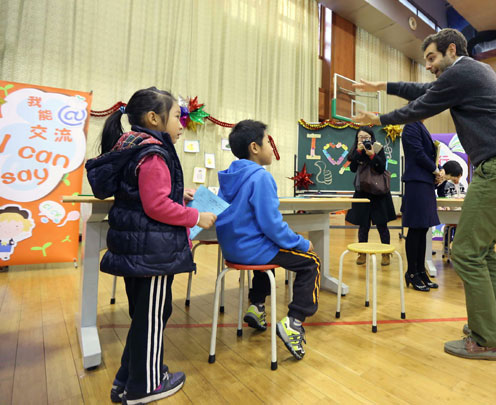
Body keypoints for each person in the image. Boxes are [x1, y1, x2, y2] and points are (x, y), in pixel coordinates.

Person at [353, 28, 496, 361]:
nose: (428, 66)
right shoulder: (472, 72)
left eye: (432, 57)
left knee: (465, 252)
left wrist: (379, 118)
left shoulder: (465, 70)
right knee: (482, 253)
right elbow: (423, 90)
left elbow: (422, 104)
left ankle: (486, 340)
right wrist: (382, 86)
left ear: (452, 50)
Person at [85, 87, 217, 404]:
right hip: (152, 254)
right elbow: (155, 206)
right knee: (153, 317)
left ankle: (125, 380)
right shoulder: (155, 153)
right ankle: (146, 384)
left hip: (138, 251)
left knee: (145, 316)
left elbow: (144, 193)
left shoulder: (135, 146)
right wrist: (194, 215)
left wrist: (177, 195)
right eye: (176, 116)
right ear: (154, 118)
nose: (182, 122)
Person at [216, 119, 321, 361]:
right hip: (252, 250)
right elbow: (272, 226)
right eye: (267, 142)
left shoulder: (230, 175)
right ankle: (294, 322)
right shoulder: (260, 177)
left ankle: (257, 306)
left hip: (233, 250)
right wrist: (301, 242)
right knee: (311, 262)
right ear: (254, 147)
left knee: (269, 254)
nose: (271, 147)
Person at [345, 126, 397, 266]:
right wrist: (358, 152)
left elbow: (381, 168)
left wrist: (372, 155)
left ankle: (386, 253)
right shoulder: (355, 151)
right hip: (363, 192)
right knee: (363, 225)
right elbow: (352, 168)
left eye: (366, 137)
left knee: (382, 225)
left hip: (379, 192)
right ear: (357, 139)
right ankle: (362, 253)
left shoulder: (378, 149)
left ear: (372, 138)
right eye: (360, 137)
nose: (363, 139)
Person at [400, 121, 440, 291]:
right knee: (416, 228)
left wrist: (437, 171)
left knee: (423, 229)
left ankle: (420, 270)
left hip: (425, 182)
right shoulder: (411, 126)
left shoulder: (420, 125)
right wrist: (435, 170)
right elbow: (417, 153)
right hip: (416, 182)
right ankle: (411, 272)